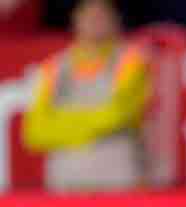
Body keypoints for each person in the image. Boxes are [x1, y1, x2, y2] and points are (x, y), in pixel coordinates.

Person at [22, 0, 150, 193]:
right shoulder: (52, 68)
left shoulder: (133, 62)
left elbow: (119, 113)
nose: (95, 21)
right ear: (75, 19)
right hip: (66, 183)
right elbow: (35, 131)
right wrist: (93, 127)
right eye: (89, 14)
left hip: (120, 181)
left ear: (116, 20)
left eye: (102, 14)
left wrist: (61, 124)